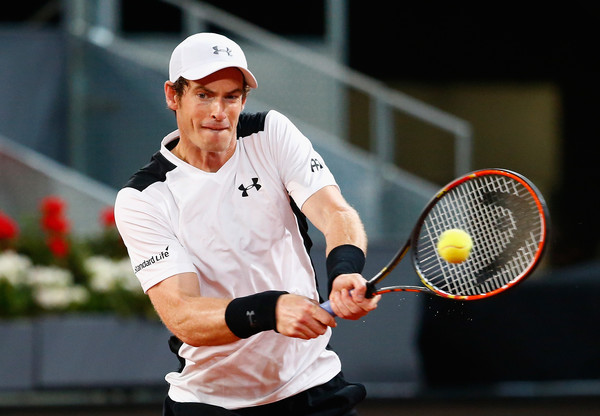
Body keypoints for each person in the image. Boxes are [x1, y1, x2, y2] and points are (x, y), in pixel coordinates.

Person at [114, 32, 380, 415]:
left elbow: (335, 212)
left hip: (312, 386)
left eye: (231, 96)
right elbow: (183, 314)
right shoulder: (145, 198)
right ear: (173, 95)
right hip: (209, 403)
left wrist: (344, 272)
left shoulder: (270, 134)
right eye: (204, 95)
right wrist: (270, 310)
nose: (219, 112)